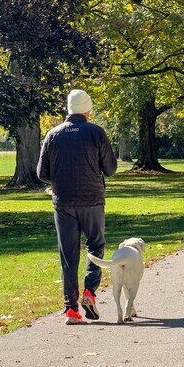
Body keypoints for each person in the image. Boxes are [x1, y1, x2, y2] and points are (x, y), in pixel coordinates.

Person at [37, 89, 117, 324]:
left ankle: (71, 310)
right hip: (92, 199)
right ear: (88, 110)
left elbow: (42, 174)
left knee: (68, 253)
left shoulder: (53, 134)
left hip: (63, 202)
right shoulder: (96, 133)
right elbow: (110, 169)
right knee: (95, 246)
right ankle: (89, 292)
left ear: (69, 110)